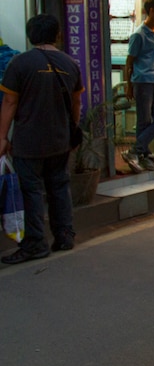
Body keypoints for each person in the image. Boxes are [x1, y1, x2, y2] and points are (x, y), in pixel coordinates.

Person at [0, 14, 82, 264]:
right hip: (60, 139)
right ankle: (64, 235)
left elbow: (10, 102)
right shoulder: (70, 63)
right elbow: (77, 102)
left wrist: (2, 137)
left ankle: (36, 243)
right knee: (59, 186)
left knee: (32, 191)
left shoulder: (20, 63)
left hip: (29, 141)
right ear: (57, 35)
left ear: (30, 35)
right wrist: (72, 130)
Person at [122, 0, 154, 173]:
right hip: (142, 82)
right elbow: (130, 61)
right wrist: (129, 85)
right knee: (144, 120)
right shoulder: (138, 35)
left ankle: (136, 151)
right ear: (151, 10)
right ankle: (143, 155)